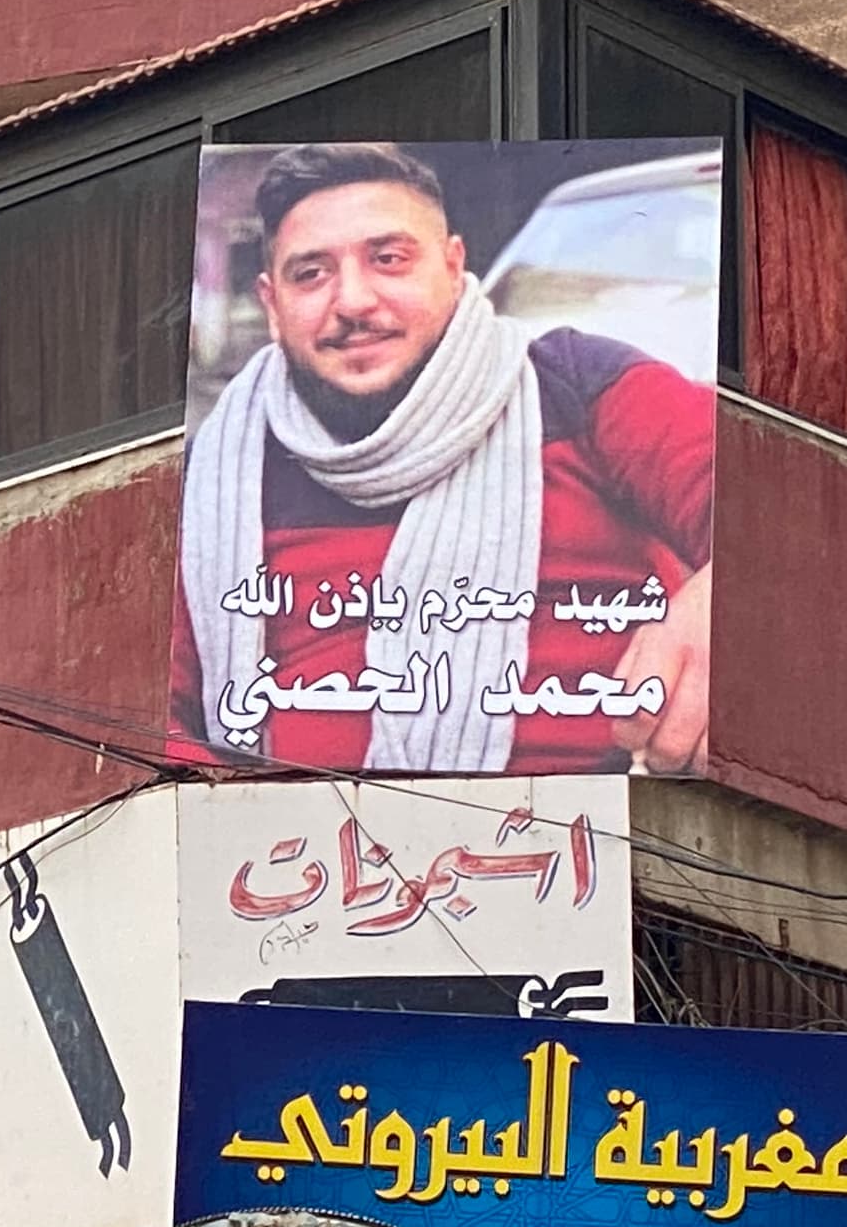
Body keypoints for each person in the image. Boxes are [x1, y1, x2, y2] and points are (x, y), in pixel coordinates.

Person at [173, 141, 715, 774]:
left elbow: (779, 510)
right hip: (278, 831)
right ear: (272, 305)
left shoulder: (579, 389)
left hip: (604, 824)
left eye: (389, 259)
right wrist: (214, 804)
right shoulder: (221, 475)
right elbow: (142, 704)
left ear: (454, 268)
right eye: (311, 274)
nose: (353, 301)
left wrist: (725, 602)